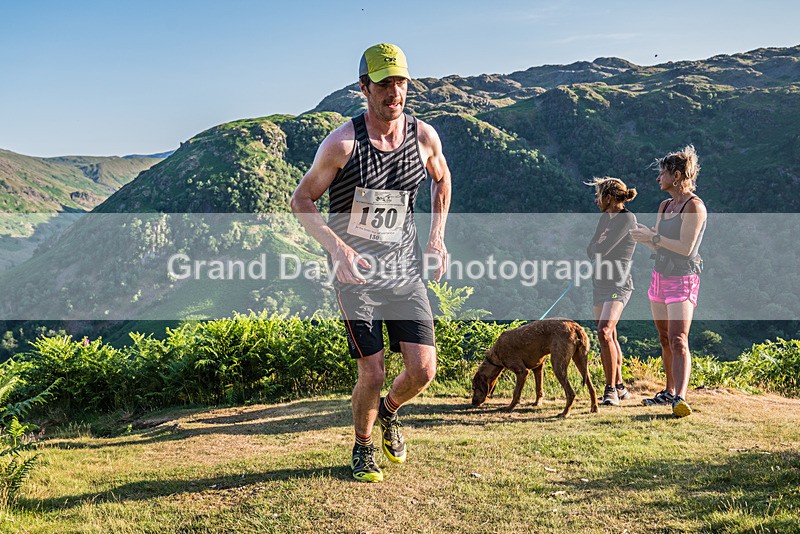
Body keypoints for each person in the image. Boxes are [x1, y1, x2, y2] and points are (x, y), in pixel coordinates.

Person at [290, 43, 451, 482]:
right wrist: (337, 249)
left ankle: (390, 413)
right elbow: (301, 200)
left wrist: (436, 237)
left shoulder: (424, 137)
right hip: (356, 277)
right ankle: (363, 448)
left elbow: (442, 180)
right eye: (383, 84)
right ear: (365, 87)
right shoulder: (342, 144)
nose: (393, 92)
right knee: (374, 370)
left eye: (400, 82)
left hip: (404, 273)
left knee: (423, 369)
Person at [630, 145, 707, 418]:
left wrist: (651, 238)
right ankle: (669, 391)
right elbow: (660, 245)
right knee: (664, 338)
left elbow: (685, 248)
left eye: (661, 173)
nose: (657, 178)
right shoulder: (665, 205)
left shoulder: (694, 207)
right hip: (660, 276)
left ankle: (680, 398)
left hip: (683, 279)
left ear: (676, 176)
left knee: (678, 339)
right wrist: (644, 236)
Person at [586, 177, 638, 407]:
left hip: (618, 284)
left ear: (609, 197)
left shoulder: (627, 218)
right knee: (611, 335)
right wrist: (598, 248)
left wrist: (598, 247)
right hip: (600, 282)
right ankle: (620, 386)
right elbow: (591, 249)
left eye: (598, 195)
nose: (596, 200)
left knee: (604, 331)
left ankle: (610, 391)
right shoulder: (605, 218)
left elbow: (602, 249)